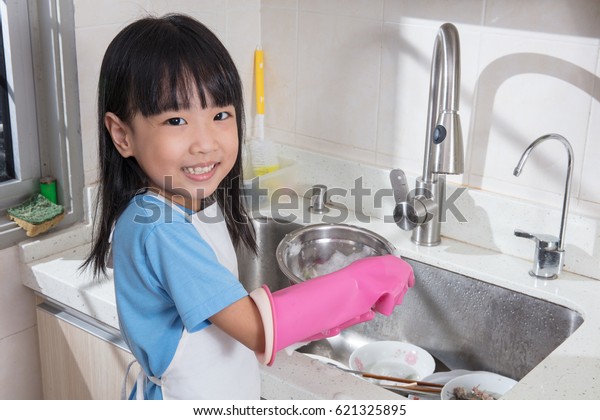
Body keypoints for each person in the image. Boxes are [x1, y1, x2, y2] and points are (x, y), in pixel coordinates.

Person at [82, 13, 415, 400]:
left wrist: (343, 306)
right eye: (176, 120)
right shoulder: (159, 227)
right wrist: (359, 283)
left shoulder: (192, 203)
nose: (205, 142)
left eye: (220, 115)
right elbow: (255, 327)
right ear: (122, 135)